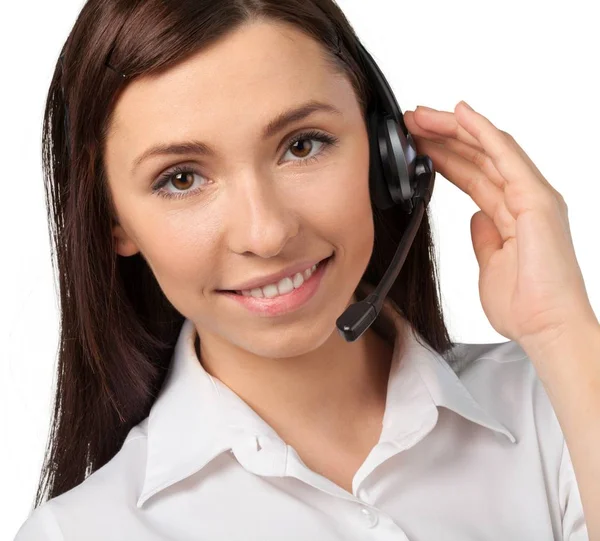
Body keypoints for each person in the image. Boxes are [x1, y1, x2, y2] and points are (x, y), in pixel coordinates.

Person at [14, 0, 600, 539]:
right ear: (113, 221)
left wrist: (562, 330)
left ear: (386, 154)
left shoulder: (558, 407)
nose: (266, 233)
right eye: (182, 178)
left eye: (302, 146)